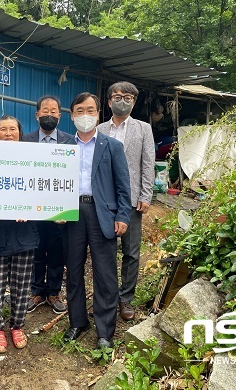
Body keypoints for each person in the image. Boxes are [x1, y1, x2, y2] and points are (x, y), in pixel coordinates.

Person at [63, 93, 131, 349]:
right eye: (79, 111)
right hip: (72, 214)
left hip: (103, 215)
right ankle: (77, 322)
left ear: (98, 113)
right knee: (74, 271)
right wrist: (57, 213)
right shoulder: (64, 147)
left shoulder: (112, 147)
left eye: (90, 110)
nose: (85, 115)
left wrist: (123, 215)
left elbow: (123, 186)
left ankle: (105, 330)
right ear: (72, 116)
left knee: (105, 274)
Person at [0, 115, 40, 353]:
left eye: (12, 129)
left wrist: (31, 207)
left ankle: (17, 325)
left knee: (21, 284)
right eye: (3, 129)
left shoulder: (33, 160)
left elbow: (41, 191)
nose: (7, 133)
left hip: (24, 232)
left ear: (19, 133)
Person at [96, 81, 155, 321]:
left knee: (131, 252)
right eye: (118, 96)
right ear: (109, 101)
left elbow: (148, 163)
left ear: (134, 102)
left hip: (131, 200)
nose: (123, 101)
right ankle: (107, 295)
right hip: (103, 199)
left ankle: (125, 299)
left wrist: (146, 194)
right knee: (104, 251)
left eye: (128, 97)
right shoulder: (99, 129)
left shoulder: (143, 129)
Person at [23, 96, 72, 314]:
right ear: (37, 115)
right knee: (35, 250)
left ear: (60, 116)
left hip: (59, 209)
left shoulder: (71, 142)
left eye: (54, 111)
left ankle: (53, 292)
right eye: (45, 110)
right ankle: (36, 292)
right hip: (32, 208)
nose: (49, 114)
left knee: (56, 252)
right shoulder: (24, 141)